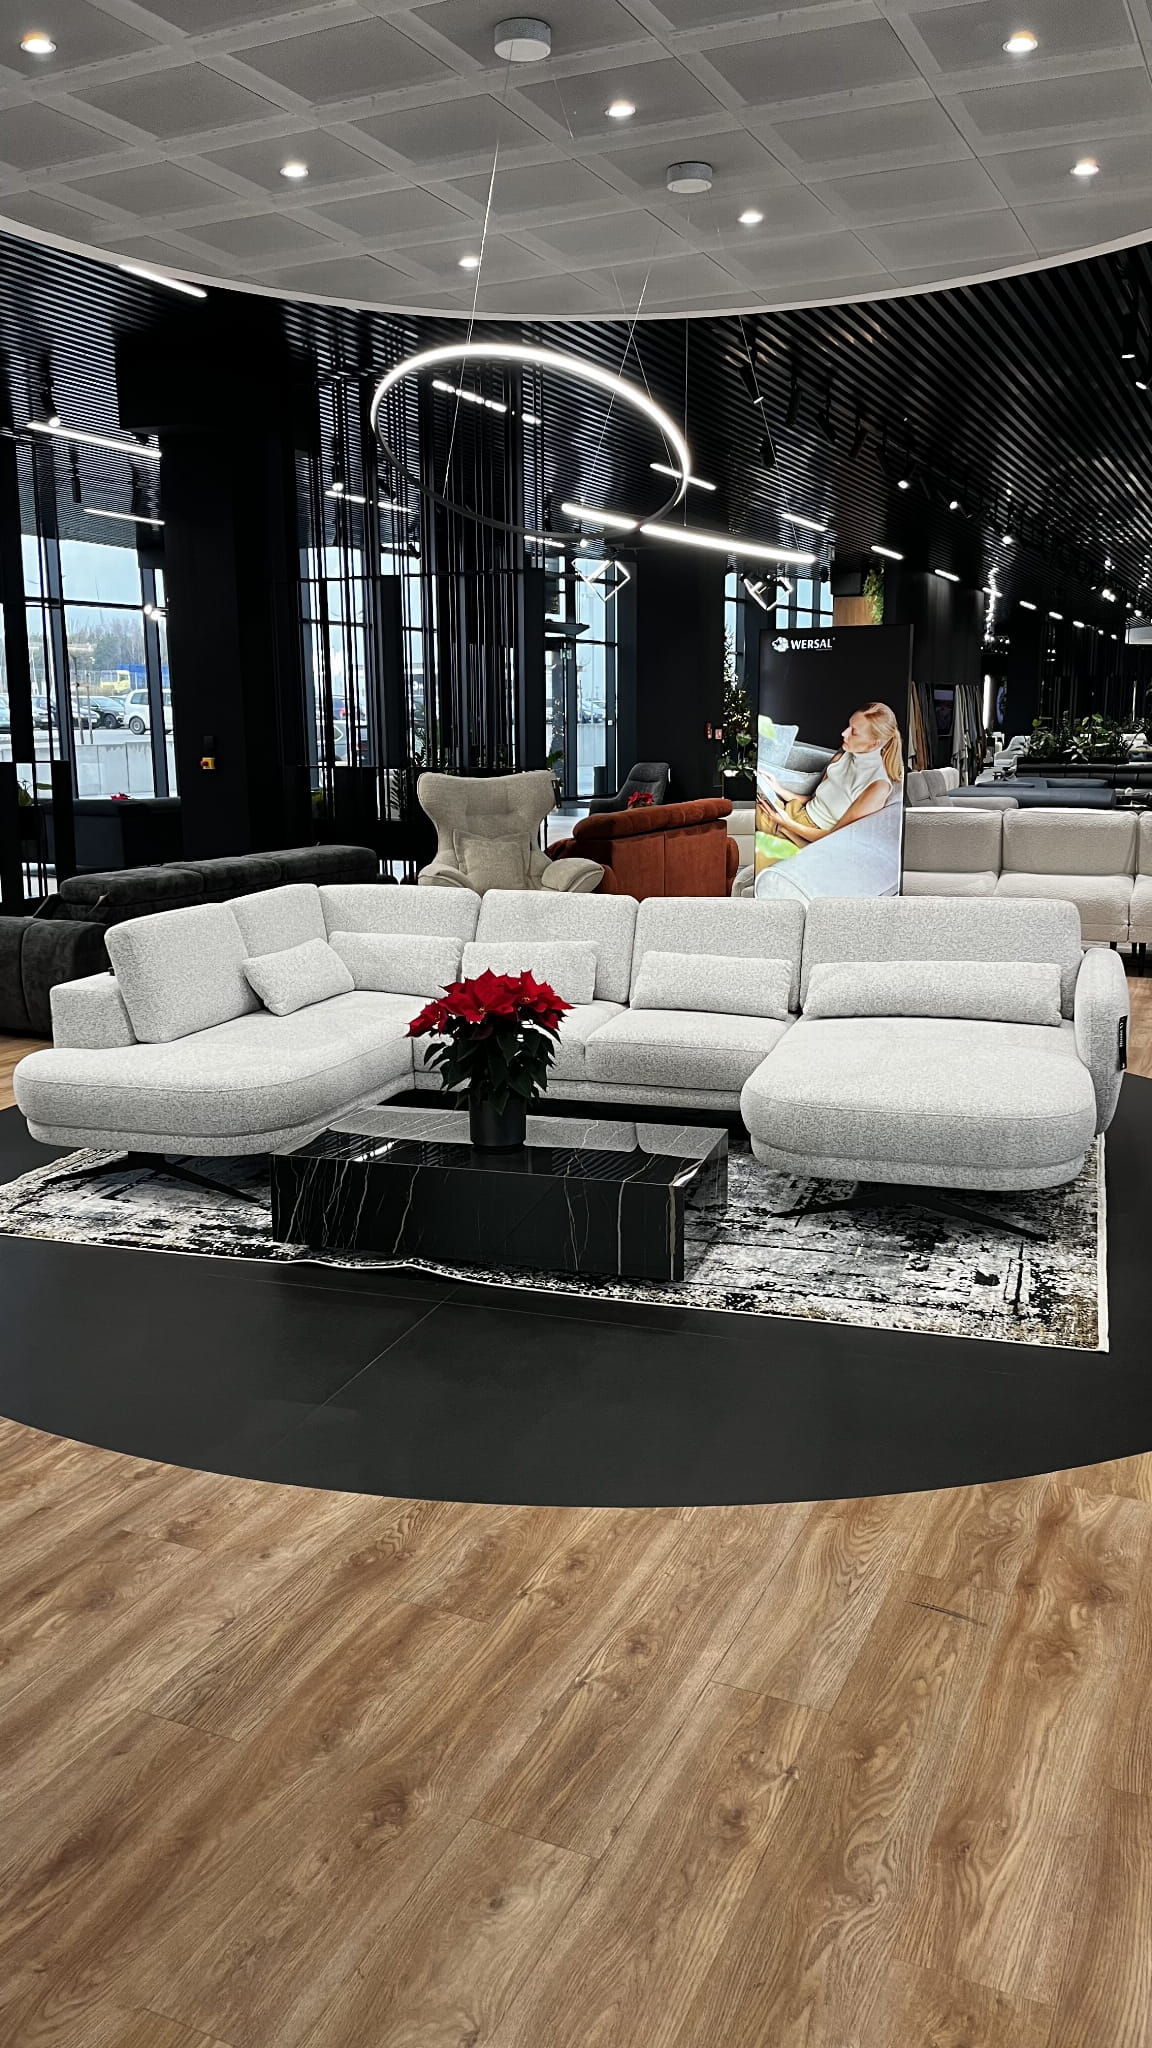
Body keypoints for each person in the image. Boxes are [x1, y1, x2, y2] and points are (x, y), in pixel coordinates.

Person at [757, 701, 904, 862]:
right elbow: (812, 800)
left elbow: (837, 837)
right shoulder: (842, 757)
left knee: (758, 857)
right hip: (792, 813)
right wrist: (777, 788)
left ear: (874, 743)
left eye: (854, 732)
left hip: (807, 840)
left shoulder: (877, 786)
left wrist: (787, 823)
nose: (844, 733)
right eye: (849, 726)